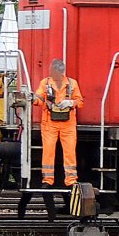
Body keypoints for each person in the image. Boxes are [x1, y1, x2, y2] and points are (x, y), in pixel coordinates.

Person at [33, 59, 84, 187]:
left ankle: (71, 181)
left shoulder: (72, 84)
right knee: (48, 152)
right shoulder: (45, 83)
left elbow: (80, 101)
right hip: (49, 123)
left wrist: (71, 103)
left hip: (68, 124)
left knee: (70, 153)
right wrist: (32, 99)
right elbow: (38, 98)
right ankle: (47, 181)